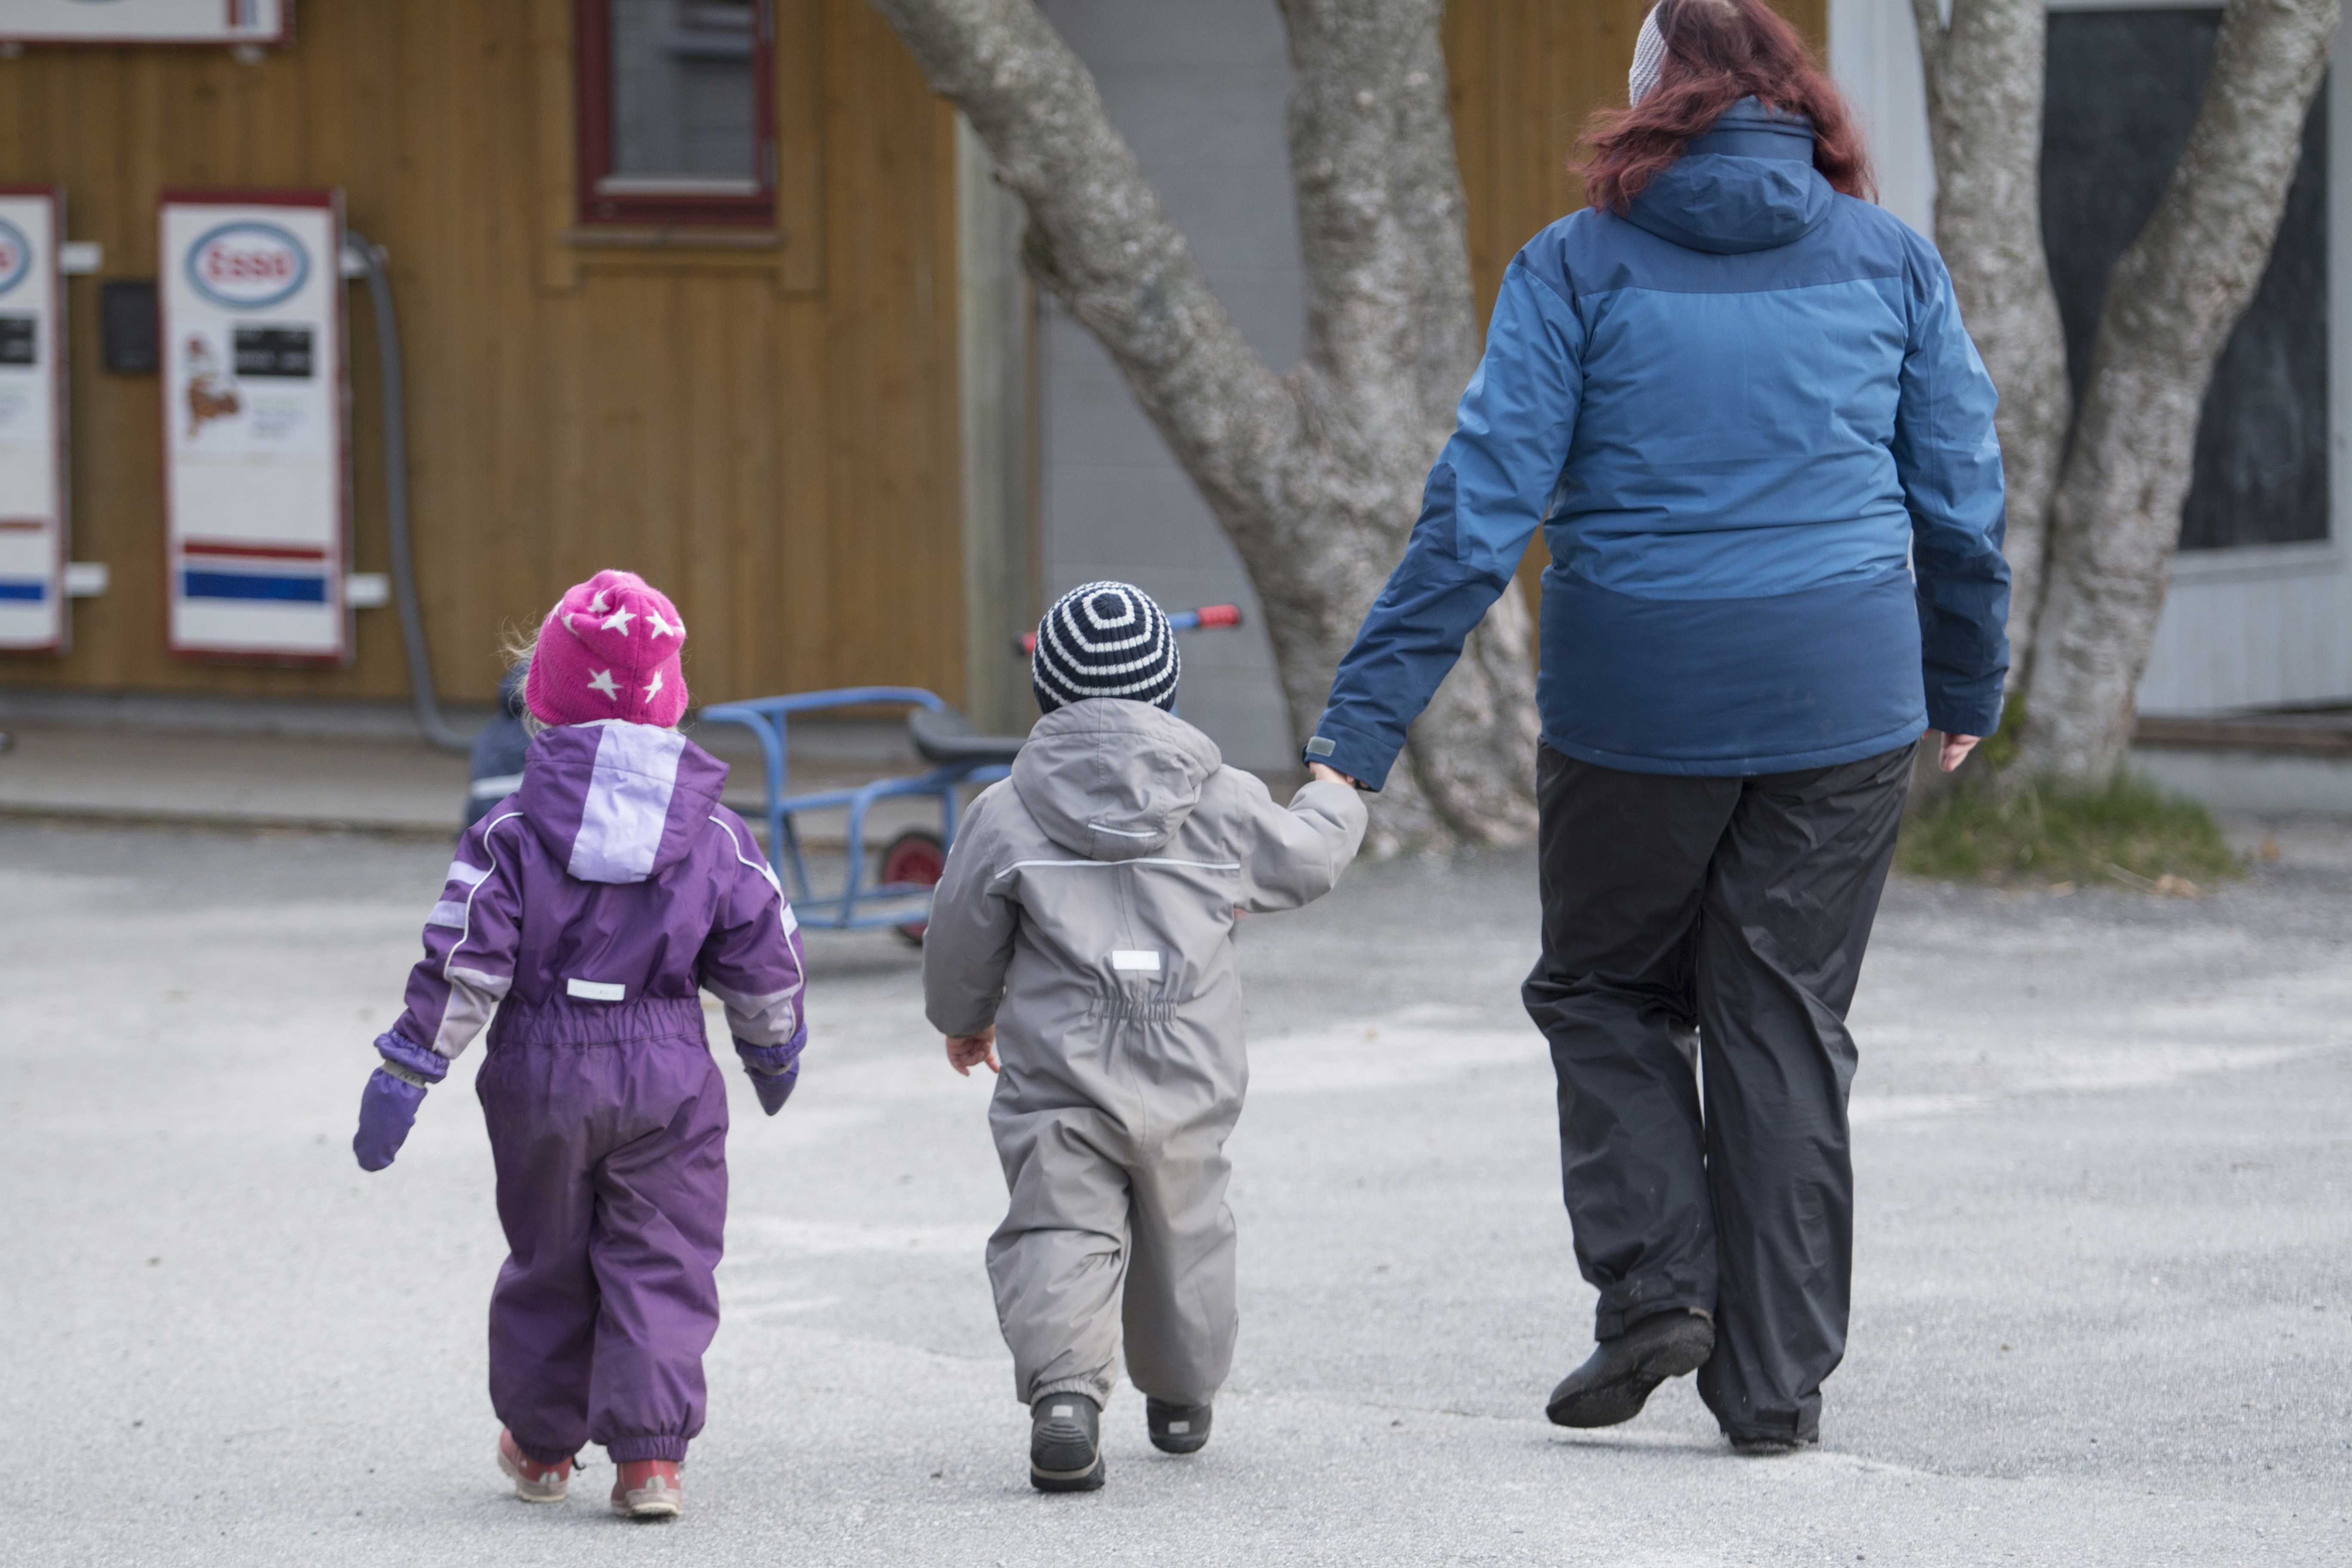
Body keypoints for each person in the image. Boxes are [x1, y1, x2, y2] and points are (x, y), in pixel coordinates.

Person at [1304, 0, 2009, 1454]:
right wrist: (1963, 682)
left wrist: (1357, 732)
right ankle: (1772, 1389)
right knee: (1784, 1016)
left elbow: (1474, 516)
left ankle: (1654, 1290)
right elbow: (1958, 496)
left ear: (1650, 105)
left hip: (1637, 699)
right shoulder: (1889, 260)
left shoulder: (1573, 269)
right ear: (1792, 101)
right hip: (1844, 691)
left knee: (1608, 990)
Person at [348, 569, 808, 1517]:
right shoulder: (716, 833)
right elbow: (765, 948)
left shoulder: (509, 833)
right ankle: (651, 1461)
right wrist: (773, 1049)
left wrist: (409, 1065)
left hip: (541, 1070)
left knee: (548, 1255)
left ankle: (544, 1445)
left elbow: (465, 956)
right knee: (663, 1255)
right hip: (669, 1067)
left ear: (544, 700)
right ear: (672, 700)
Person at [924, 582, 1368, 1492]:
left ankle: (1065, 1399)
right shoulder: (1224, 800)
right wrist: (1337, 800)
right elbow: (1308, 858)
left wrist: (965, 1020)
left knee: (1058, 1221)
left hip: (1060, 1068)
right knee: (1187, 1228)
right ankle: (1182, 1394)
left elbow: (961, 933)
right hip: (1188, 1065)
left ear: (1048, 694)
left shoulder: (1004, 810)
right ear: (1164, 692)